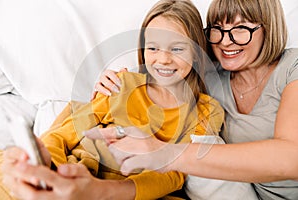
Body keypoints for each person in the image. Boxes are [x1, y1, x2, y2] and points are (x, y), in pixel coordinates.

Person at [0, 0, 233, 199]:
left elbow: (175, 174)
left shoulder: (206, 110)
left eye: (177, 49)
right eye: (153, 47)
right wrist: (52, 170)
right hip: (75, 172)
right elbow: (63, 134)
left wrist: (110, 190)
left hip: (132, 192)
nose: (163, 59)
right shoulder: (121, 84)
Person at [89, 0, 298, 199]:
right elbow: (163, 69)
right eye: (217, 28)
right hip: (236, 191)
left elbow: (292, 157)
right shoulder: (207, 76)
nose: (225, 41)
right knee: (204, 141)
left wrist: (166, 154)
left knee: (203, 146)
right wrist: (115, 83)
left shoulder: (292, 66)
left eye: (241, 28)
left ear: (269, 28)